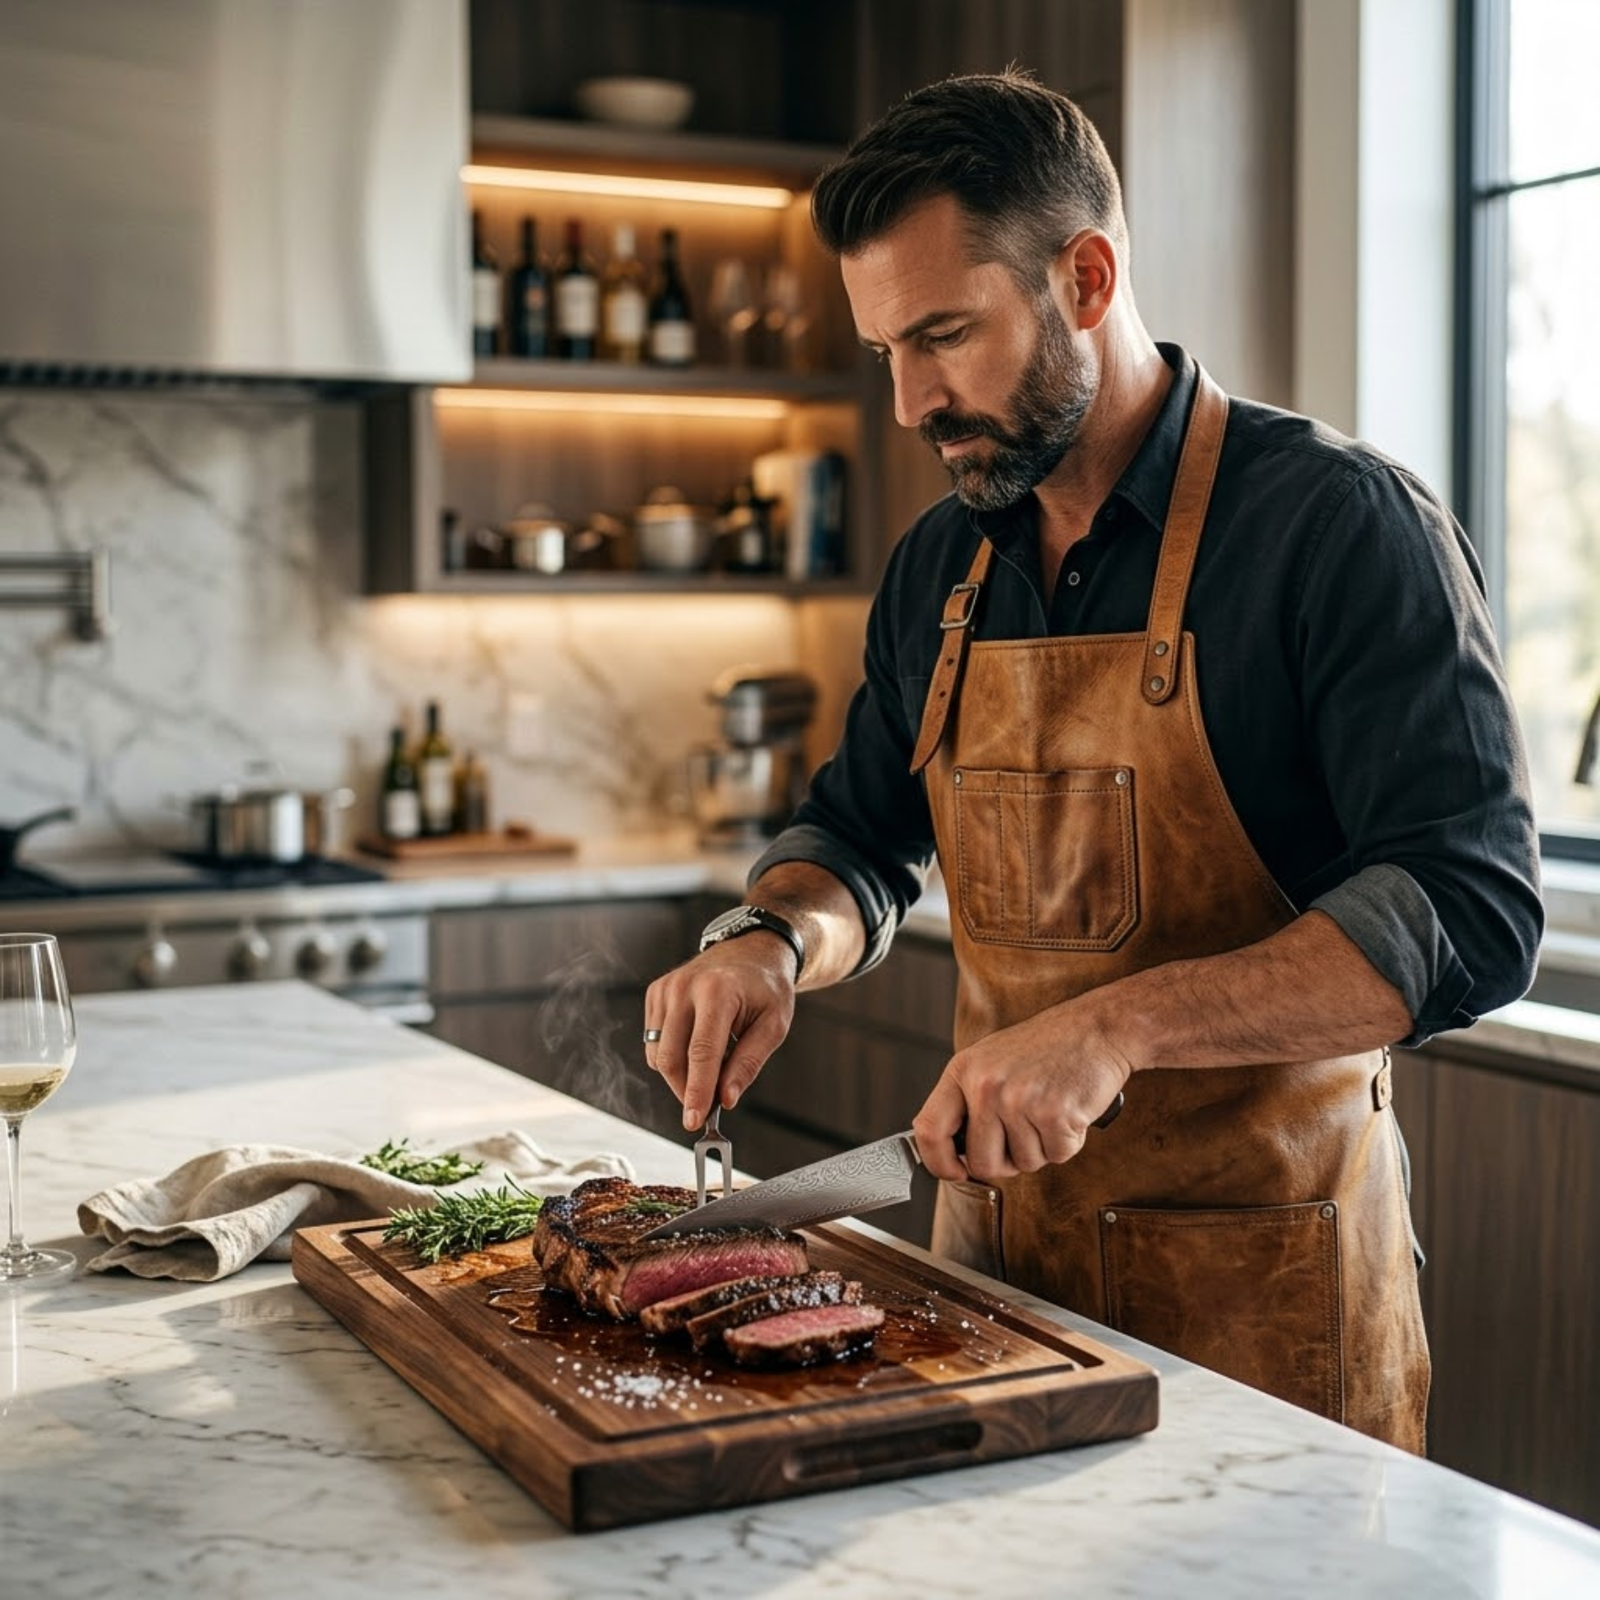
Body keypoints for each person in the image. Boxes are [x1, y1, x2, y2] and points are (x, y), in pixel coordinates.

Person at [642, 71, 1542, 1453]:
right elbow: (861, 839)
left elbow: (1469, 910)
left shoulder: (1338, 527)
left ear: (1087, 276)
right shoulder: (941, 562)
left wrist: (1117, 1027)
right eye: (887, 348)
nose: (908, 402)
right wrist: (769, 938)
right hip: (992, 1292)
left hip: (1267, 1319)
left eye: (944, 335)